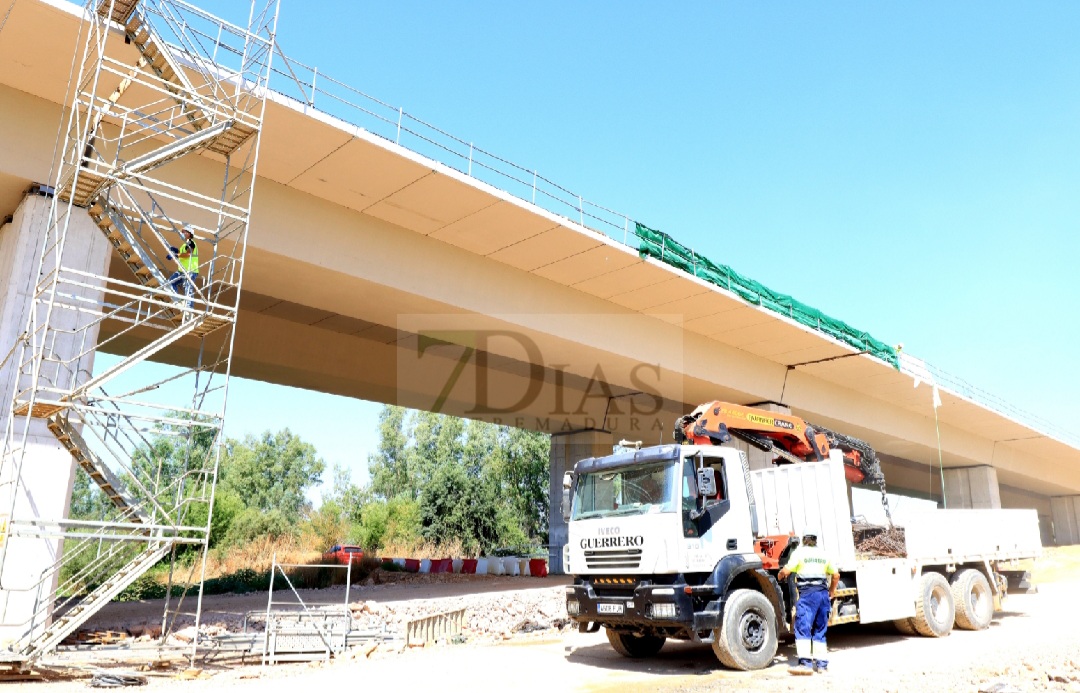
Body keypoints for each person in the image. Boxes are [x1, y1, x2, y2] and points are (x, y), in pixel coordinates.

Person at [777, 528, 839, 675]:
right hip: (823, 595)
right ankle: (822, 666)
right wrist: (831, 591)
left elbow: (786, 572)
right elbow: (836, 575)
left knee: (803, 627)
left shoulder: (799, 553)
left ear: (804, 539)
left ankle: (805, 664)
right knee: (820, 630)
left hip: (808, 596)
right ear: (816, 539)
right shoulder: (824, 554)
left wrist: (779, 576)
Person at [167, 226, 199, 307]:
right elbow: (183, 254)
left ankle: (189, 307)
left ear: (189, 234)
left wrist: (176, 254)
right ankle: (176, 300)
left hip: (190, 270)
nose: (183, 234)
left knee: (188, 288)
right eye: (183, 232)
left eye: (185, 232)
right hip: (182, 270)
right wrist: (177, 251)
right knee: (170, 283)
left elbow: (188, 254)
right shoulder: (185, 244)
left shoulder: (191, 242)